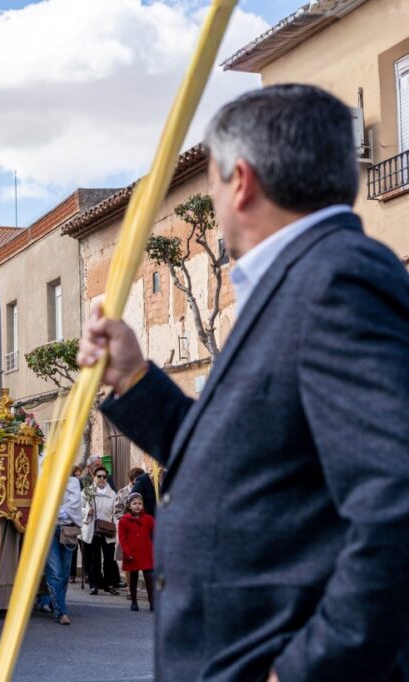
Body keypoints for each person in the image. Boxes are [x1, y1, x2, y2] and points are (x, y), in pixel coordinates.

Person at [78, 84, 409, 680]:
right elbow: (238, 459)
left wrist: (309, 669)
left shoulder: (338, 282)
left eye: (210, 180)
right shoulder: (303, 281)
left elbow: (398, 502)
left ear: (242, 181)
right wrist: (132, 378)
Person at [45, 471, 83, 625]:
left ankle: (57, 604)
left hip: (67, 530)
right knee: (55, 572)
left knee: (65, 572)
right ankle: (61, 611)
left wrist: (57, 511)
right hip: (48, 530)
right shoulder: (44, 480)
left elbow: (74, 506)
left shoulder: (73, 481)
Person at [81, 466, 119, 596]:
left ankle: (108, 584)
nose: (102, 479)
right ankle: (94, 585)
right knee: (93, 560)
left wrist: (116, 527)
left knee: (109, 559)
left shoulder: (112, 494)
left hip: (107, 530)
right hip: (92, 530)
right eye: (99, 476)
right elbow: (78, 509)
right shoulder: (87, 492)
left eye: (104, 476)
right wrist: (87, 511)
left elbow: (116, 512)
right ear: (94, 477)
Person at [117, 493, 155, 613]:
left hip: (146, 551)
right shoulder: (124, 521)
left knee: (149, 577)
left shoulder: (148, 519)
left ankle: (152, 601)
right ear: (129, 506)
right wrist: (127, 552)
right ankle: (134, 601)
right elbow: (122, 539)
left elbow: (157, 531)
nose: (137, 506)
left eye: (139, 503)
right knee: (133, 578)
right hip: (132, 552)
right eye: (134, 504)